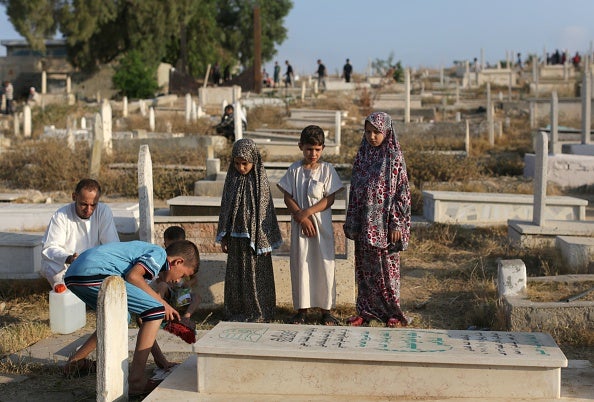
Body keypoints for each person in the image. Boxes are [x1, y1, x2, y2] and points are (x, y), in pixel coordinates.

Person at [64, 240, 200, 396]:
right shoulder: (159, 254)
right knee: (156, 309)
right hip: (94, 273)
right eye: (182, 274)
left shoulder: (147, 269)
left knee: (118, 317)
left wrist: (161, 360)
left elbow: (144, 321)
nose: (177, 281)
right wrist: (162, 302)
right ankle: (136, 382)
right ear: (178, 261)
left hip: (76, 274)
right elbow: (133, 276)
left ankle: (75, 362)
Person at [343, 111, 412, 328]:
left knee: (386, 270)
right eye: (368, 131)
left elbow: (403, 192)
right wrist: (353, 219)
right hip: (364, 223)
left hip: (385, 225)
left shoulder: (393, 157)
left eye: (376, 132)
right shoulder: (362, 155)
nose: (372, 136)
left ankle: (393, 312)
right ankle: (365, 311)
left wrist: (396, 222)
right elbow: (355, 188)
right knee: (364, 269)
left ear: (387, 132)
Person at [277, 125, 344, 325]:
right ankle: (302, 310)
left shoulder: (327, 170)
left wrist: (308, 212)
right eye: (308, 149)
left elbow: (329, 199)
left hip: (321, 228)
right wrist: (301, 217)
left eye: (317, 149)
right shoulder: (294, 170)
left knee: (324, 265)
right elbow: (287, 196)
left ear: (322, 148)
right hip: (301, 228)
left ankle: (326, 310)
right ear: (300, 147)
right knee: (301, 264)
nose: (312, 153)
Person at [216, 139, 282, 322]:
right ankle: (237, 311)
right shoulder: (232, 180)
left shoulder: (260, 183)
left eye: (245, 163)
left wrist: (264, 240)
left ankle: (260, 312)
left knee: (255, 276)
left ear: (254, 160)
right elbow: (225, 208)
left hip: (255, 240)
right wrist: (224, 236)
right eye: (237, 163)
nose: (241, 168)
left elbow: (265, 213)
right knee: (236, 277)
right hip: (236, 239)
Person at [41, 178, 120, 288]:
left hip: (95, 265)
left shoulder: (103, 211)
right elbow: (49, 248)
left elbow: (113, 246)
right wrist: (70, 258)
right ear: (74, 197)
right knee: (49, 265)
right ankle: (65, 291)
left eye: (93, 205)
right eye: (83, 204)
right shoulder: (61, 215)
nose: (88, 210)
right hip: (69, 266)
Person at [150, 226, 201, 326]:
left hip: (181, 295)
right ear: (165, 244)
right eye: (171, 245)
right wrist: (168, 282)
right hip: (168, 295)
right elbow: (159, 280)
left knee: (197, 297)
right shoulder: (162, 260)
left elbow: (194, 279)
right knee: (163, 285)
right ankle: (156, 309)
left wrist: (187, 283)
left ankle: (186, 317)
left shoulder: (188, 262)